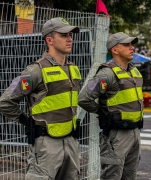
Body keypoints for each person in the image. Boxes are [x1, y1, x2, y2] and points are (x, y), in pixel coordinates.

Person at [0, 17, 82, 180]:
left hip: (71, 142)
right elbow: (5, 101)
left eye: (70, 35)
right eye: (64, 35)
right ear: (49, 40)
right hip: (46, 146)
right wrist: (25, 120)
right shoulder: (35, 71)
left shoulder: (73, 68)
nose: (69, 38)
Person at [78, 32, 144, 180]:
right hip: (116, 135)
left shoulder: (134, 71)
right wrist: (102, 112)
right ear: (115, 50)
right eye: (126, 44)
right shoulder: (106, 73)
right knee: (112, 176)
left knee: (130, 176)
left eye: (131, 44)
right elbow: (83, 98)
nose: (131, 47)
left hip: (135, 132)